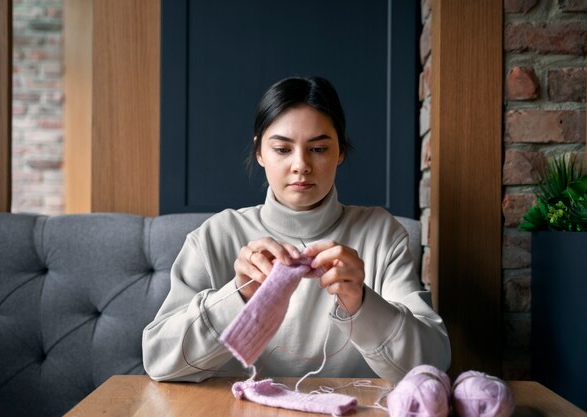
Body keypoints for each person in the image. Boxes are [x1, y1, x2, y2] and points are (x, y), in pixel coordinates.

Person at [142, 76, 450, 384]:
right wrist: (238, 296)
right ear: (260, 152)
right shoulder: (215, 236)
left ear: (339, 152)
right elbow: (158, 359)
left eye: (318, 148)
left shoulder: (381, 234)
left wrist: (362, 304)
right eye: (282, 149)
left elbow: (434, 362)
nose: (301, 164)